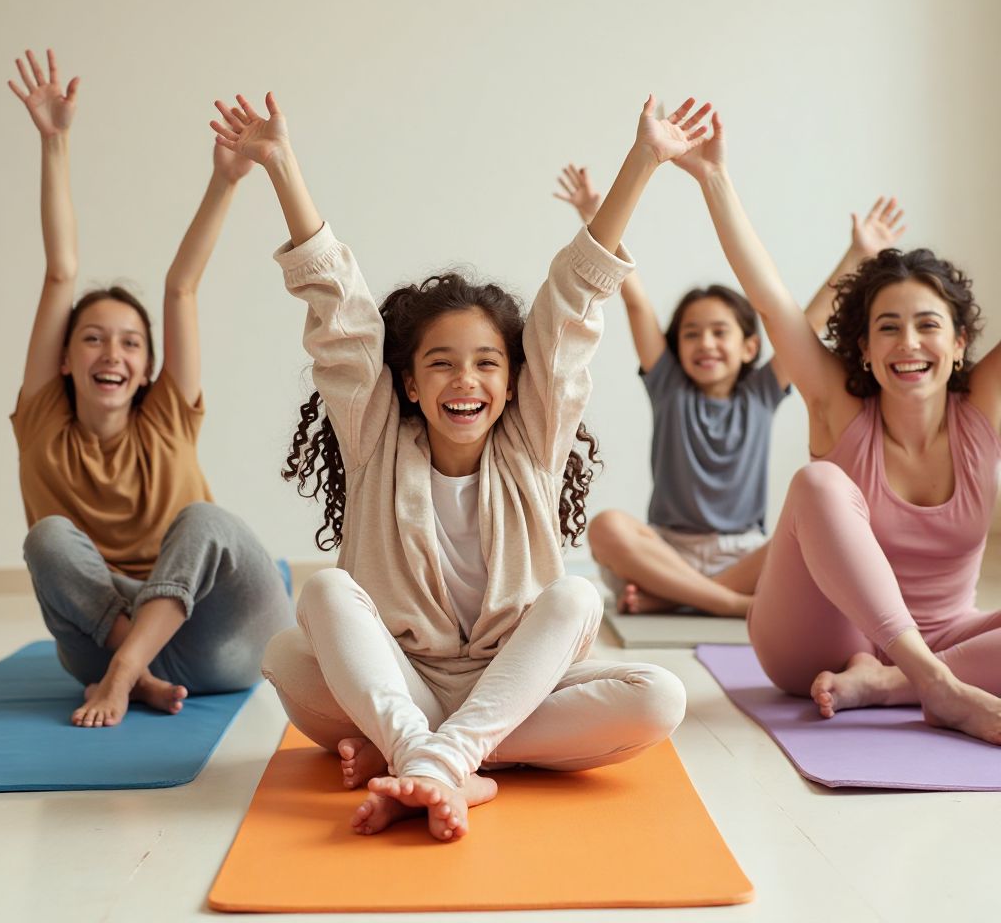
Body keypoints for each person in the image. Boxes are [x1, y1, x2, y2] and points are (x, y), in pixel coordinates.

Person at [210, 90, 701, 841]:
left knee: (628, 661)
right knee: (309, 619)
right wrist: (279, 165)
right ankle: (438, 752)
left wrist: (643, 160)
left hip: (513, 685)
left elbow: (573, 301)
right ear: (409, 383)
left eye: (485, 364)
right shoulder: (376, 439)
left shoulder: (533, 442)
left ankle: (427, 756)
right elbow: (338, 309)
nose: (464, 380)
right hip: (399, 681)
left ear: (513, 382)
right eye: (441, 364)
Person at [679, 107, 1001, 745]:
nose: (909, 343)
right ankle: (933, 685)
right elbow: (770, 301)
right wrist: (713, 177)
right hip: (816, 641)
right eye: (888, 327)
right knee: (820, 483)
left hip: (943, 637)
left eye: (928, 325)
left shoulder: (981, 413)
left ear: (960, 343)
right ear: (864, 348)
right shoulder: (839, 407)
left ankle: (897, 683)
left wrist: (899, 672)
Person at [9, 49, 292, 728]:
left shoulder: (166, 414)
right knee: (47, 538)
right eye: (94, 338)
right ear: (67, 361)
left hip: (219, 635)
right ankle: (128, 666)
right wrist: (55, 142)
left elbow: (181, 284)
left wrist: (225, 183)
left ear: (145, 368)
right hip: (102, 630)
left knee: (206, 522)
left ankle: (129, 675)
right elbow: (60, 273)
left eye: (131, 342)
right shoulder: (44, 420)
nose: (114, 352)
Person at [555, 163, 905, 616]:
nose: (706, 343)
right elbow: (636, 299)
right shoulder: (668, 386)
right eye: (692, 334)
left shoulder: (761, 391)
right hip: (667, 551)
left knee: (817, 528)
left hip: (743, 553)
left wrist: (857, 255)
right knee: (606, 527)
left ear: (749, 346)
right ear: (676, 347)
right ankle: (730, 604)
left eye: (720, 332)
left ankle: (680, 598)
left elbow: (808, 320)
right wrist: (594, 213)